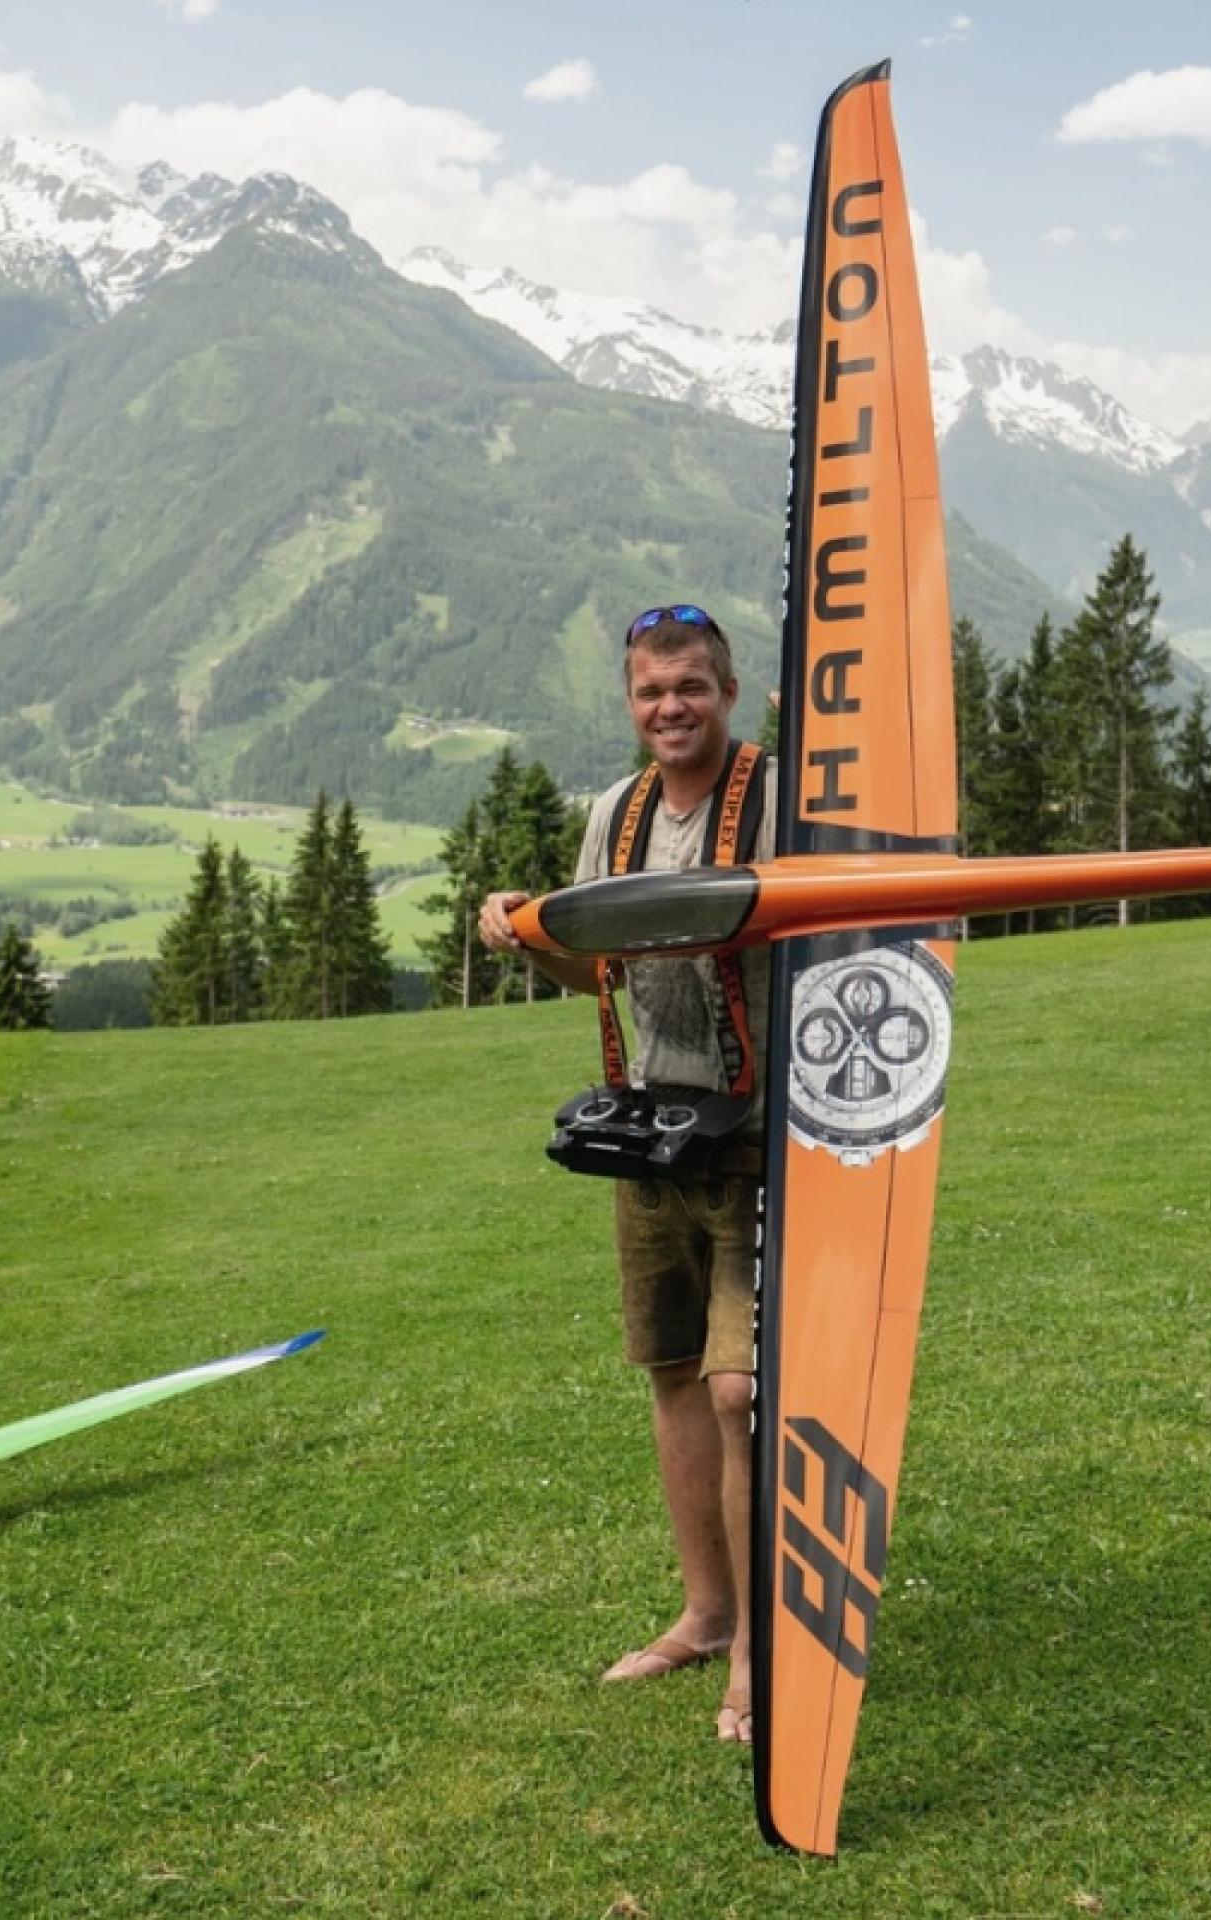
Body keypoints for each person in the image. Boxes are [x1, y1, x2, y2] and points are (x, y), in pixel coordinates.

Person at [478, 604, 775, 1745]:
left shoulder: (780, 795)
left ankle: (759, 1643)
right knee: (670, 1373)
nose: (671, 708)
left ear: (728, 691)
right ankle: (706, 1615)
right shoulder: (617, 813)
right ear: (630, 701)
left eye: (691, 686)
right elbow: (587, 970)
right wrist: (524, 930)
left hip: (755, 1138)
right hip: (648, 1138)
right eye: (651, 691)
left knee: (740, 1389)